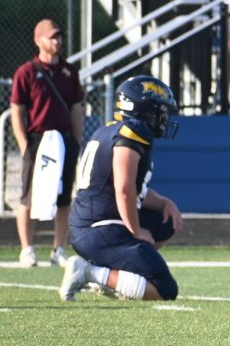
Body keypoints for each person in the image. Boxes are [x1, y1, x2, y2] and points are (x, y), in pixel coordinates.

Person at [59, 76, 183, 303]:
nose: (165, 118)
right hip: (99, 228)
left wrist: (166, 203)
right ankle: (91, 273)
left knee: (164, 221)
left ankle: (117, 275)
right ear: (144, 110)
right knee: (165, 289)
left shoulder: (110, 130)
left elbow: (135, 191)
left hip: (94, 223)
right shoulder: (133, 132)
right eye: (160, 111)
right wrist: (136, 231)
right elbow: (124, 188)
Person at [10, 19, 84, 267]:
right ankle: (27, 248)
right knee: (29, 196)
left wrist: (76, 139)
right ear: (38, 39)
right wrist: (23, 144)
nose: (57, 41)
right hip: (38, 139)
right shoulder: (26, 72)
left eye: (59, 36)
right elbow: (17, 111)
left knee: (63, 197)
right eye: (52, 37)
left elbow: (76, 107)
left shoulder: (69, 71)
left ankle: (58, 249)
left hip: (63, 139)